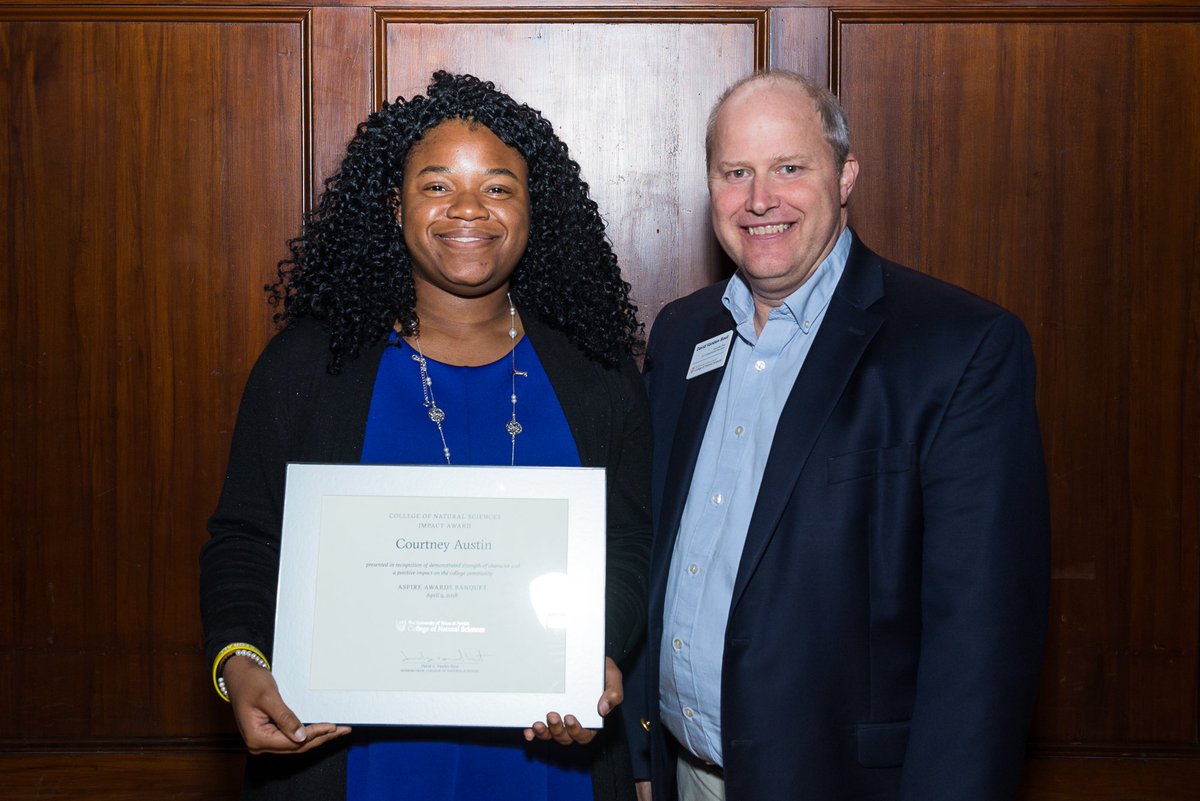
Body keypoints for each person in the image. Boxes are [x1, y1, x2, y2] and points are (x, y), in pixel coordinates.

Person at [200, 71, 652, 801]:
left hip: (548, 758)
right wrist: (241, 663)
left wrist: (590, 650)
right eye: (437, 185)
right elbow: (247, 536)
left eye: (499, 187)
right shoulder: (309, 366)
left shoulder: (597, 372)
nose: (468, 209)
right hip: (349, 764)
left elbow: (628, 540)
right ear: (395, 204)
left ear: (535, 208)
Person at [640, 70, 1050, 800]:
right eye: (736, 172)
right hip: (687, 775)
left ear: (846, 173)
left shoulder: (959, 348)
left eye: (789, 168)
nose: (760, 198)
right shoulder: (680, 335)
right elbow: (652, 550)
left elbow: (981, 645)